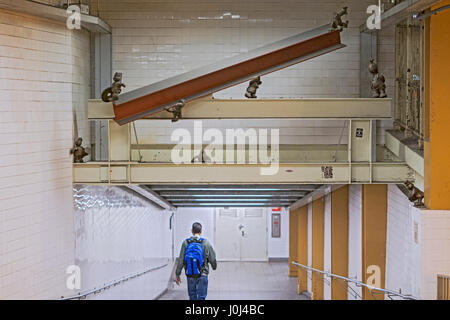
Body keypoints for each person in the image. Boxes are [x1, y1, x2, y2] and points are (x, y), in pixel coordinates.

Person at [175, 222, 217, 300]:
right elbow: (212, 257)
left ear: (191, 231)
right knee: (201, 297)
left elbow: (181, 260)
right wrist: (214, 266)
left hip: (190, 272)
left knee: (192, 296)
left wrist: (177, 274)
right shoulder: (205, 242)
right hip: (203, 273)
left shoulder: (186, 242)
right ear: (201, 231)